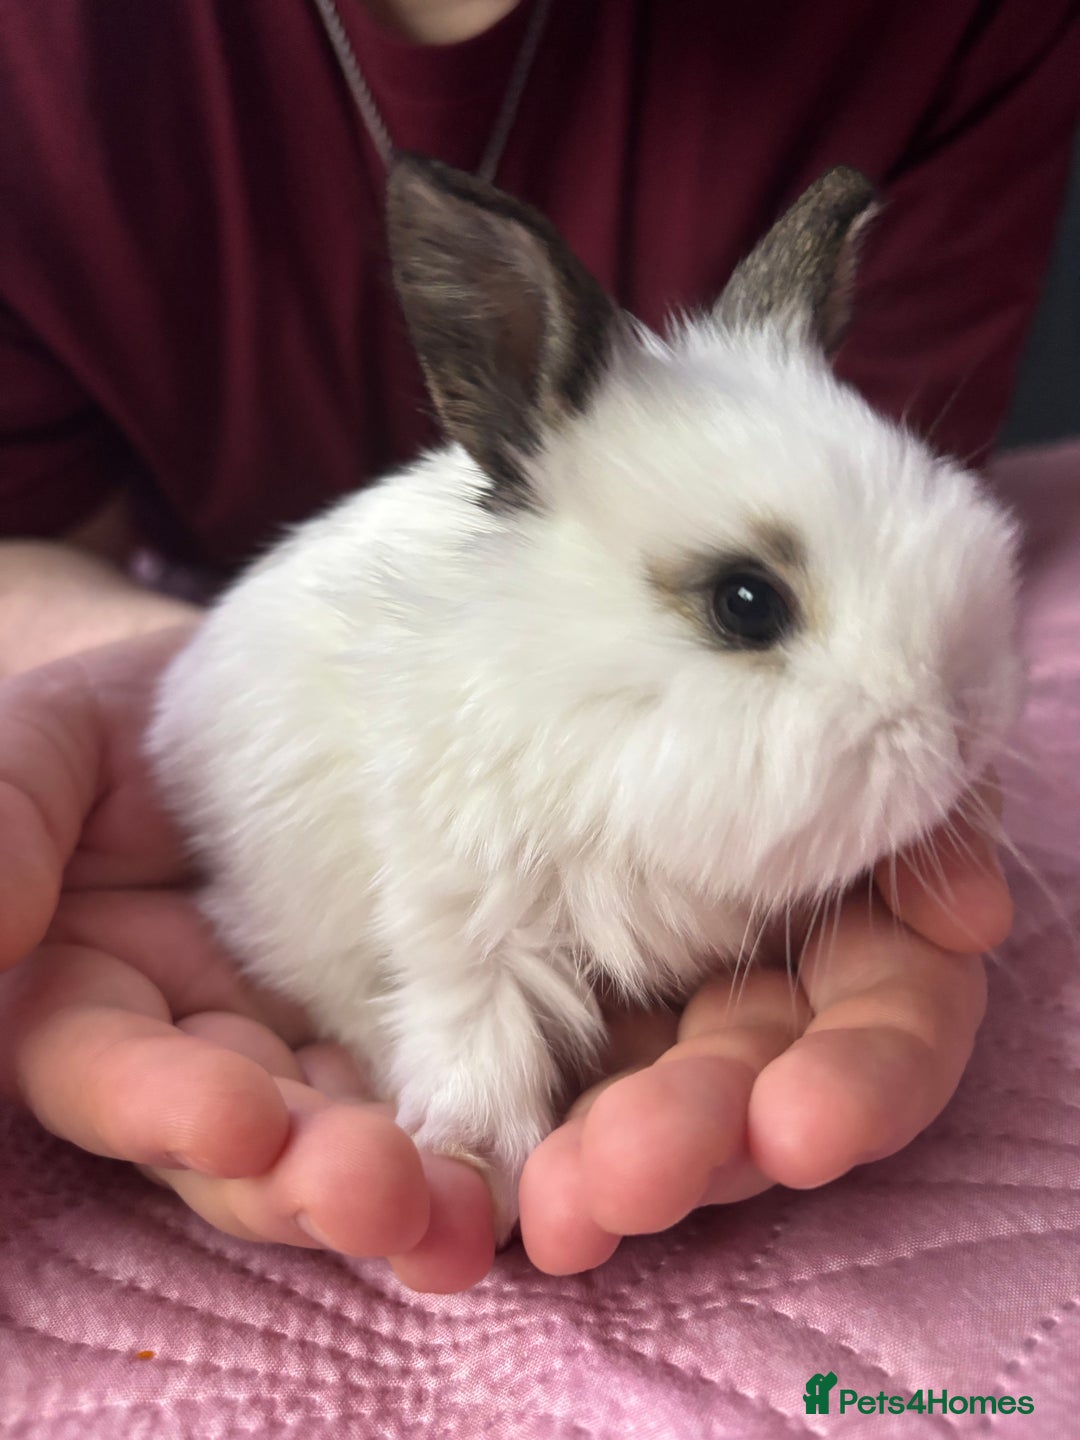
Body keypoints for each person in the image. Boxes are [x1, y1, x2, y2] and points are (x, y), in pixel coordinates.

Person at [0, 0, 1075, 1294]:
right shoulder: (57, 56)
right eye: (745, 608)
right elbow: (456, 915)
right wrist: (468, 1072)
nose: (961, 721)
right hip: (265, 759)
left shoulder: (972, 35)